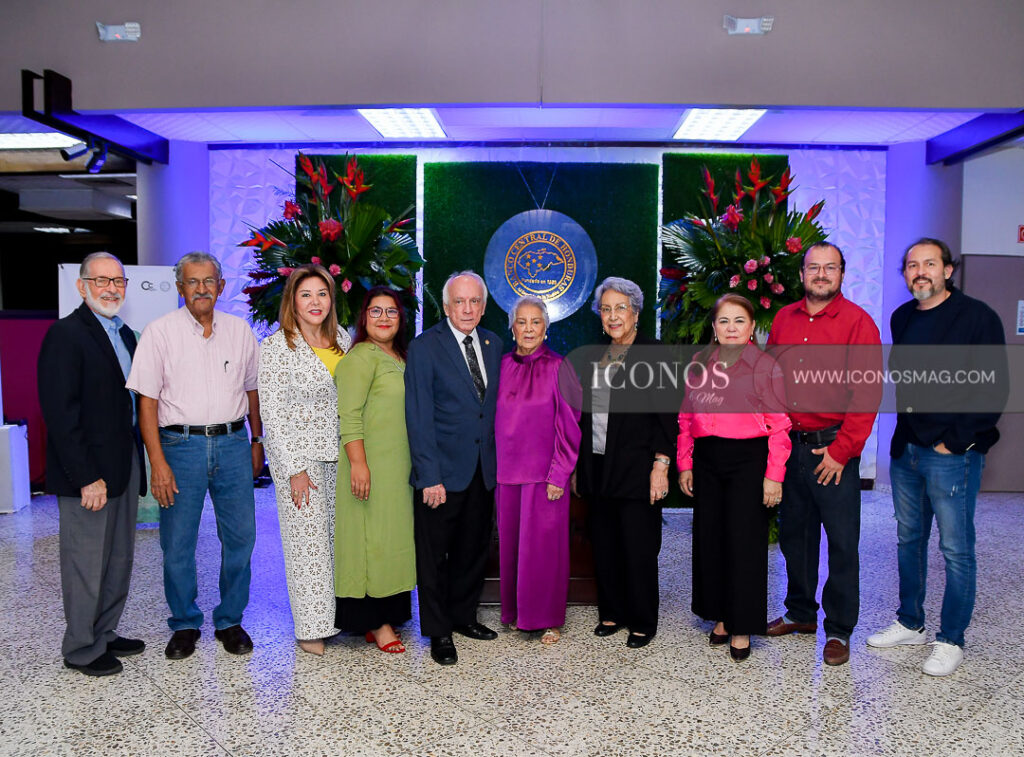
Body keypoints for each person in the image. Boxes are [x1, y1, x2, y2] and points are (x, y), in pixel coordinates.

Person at [867, 237, 1006, 677]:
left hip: (953, 454)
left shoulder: (978, 317)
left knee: (955, 548)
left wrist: (958, 441)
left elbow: (993, 387)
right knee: (909, 540)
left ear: (949, 270)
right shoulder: (902, 317)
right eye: (912, 265)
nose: (920, 271)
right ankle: (911, 622)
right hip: (907, 450)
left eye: (930, 263)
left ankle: (951, 639)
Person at [126, 251, 264, 660]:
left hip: (234, 444)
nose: (201, 289)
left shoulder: (241, 332)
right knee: (178, 542)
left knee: (241, 537)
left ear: (221, 286)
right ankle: (185, 623)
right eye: (192, 282)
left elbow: (253, 391)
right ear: (180, 287)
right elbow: (146, 404)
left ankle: (230, 620)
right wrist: (158, 463)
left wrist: (257, 442)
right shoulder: (159, 333)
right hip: (179, 447)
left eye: (209, 281)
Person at [764, 241, 881, 666]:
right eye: (814, 267)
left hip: (833, 452)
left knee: (843, 543)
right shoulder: (783, 319)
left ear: (842, 275)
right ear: (801, 274)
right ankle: (800, 614)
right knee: (796, 538)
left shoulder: (857, 323)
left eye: (830, 268)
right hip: (790, 447)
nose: (821, 275)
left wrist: (841, 451)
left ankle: (839, 630)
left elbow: (867, 393)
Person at [38, 252, 146, 676]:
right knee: (86, 562)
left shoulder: (126, 335)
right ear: (81, 286)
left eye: (117, 281)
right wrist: (86, 477)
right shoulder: (66, 335)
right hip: (90, 474)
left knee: (118, 558)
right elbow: (61, 415)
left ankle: (105, 631)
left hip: (124, 464)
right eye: (100, 281)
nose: (110, 288)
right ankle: (81, 647)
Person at [676, 294, 791, 661]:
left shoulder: (765, 367)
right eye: (723, 321)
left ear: (752, 326)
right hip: (708, 460)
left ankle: (742, 624)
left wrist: (773, 476)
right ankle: (721, 615)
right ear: (714, 327)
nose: (731, 328)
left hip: (748, 461)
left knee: (744, 544)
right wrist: (685, 463)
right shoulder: (699, 363)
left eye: (738, 320)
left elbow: (780, 426)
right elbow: (685, 418)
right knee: (711, 540)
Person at [572, 276, 676, 649]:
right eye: (606, 309)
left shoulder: (655, 352)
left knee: (639, 547)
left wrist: (661, 465)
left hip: (637, 470)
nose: (613, 316)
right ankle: (612, 611)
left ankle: (643, 619)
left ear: (635, 312)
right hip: (599, 468)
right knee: (605, 544)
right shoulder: (595, 354)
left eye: (620, 308)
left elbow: (668, 418)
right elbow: (586, 416)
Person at [405, 271, 502, 665]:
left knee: (472, 549)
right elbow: (418, 416)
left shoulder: (495, 344)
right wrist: (430, 476)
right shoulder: (425, 346)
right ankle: (439, 630)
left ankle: (463, 616)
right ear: (446, 307)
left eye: (474, 301)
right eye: (459, 302)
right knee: (434, 556)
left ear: (483, 305)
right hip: (441, 474)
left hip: (483, 470)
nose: (467, 309)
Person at [258, 265, 351, 656]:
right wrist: (294, 469)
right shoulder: (276, 347)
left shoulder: (343, 339)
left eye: (322, 294)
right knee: (306, 546)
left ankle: (336, 616)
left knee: (335, 540)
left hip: (342, 455)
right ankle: (311, 629)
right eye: (306, 294)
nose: (315, 302)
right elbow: (272, 414)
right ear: (292, 301)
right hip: (302, 460)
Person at [495, 296, 581, 644]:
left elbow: (571, 425)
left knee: (545, 552)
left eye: (535, 322)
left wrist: (559, 475)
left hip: (546, 478)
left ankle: (547, 619)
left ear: (546, 328)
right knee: (512, 550)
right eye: (521, 322)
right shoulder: (500, 366)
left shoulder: (561, 367)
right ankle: (516, 612)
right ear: (512, 326)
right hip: (506, 476)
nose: (528, 329)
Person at [335, 286, 416, 654]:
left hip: (396, 470)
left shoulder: (398, 356)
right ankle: (376, 622)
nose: (384, 318)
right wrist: (358, 464)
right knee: (372, 544)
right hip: (368, 469)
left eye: (392, 312)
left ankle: (386, 615)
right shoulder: (360, 358)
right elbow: (349, 416)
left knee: (391, 544)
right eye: (376, 311)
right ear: (363, 318)